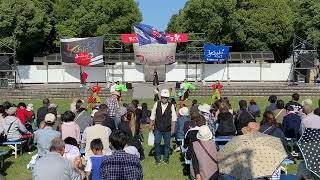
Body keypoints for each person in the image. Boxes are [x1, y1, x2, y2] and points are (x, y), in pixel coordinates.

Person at [150, 89, 177, 165]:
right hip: (158, 128)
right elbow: (153, 115)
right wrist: (150, 125)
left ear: (168, 98)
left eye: (166, 97)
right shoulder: (156, 104)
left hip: (167, 129)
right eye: (163, 97)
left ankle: (166, 158)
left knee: (167, 144)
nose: (164, 99)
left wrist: (173, 129)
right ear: (160, 97)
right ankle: (158, 158)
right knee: (157, 143)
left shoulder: (171, 105)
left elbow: (174, 118)